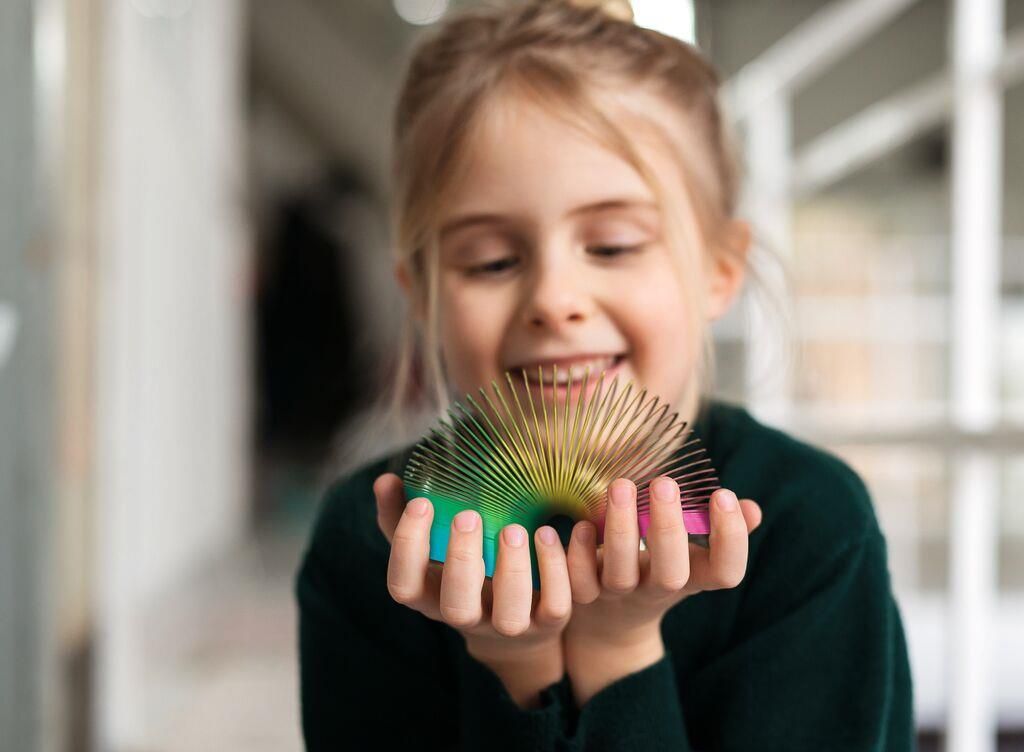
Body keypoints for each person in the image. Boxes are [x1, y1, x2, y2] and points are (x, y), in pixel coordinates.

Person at [295, 1, 915, 749]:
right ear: (422, 294)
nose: (554, 300)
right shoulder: (366, 546)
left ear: (719, 270)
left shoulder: (808, 527)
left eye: (614, 245)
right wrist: (515, 668)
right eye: (492, 261)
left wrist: (618, 652)